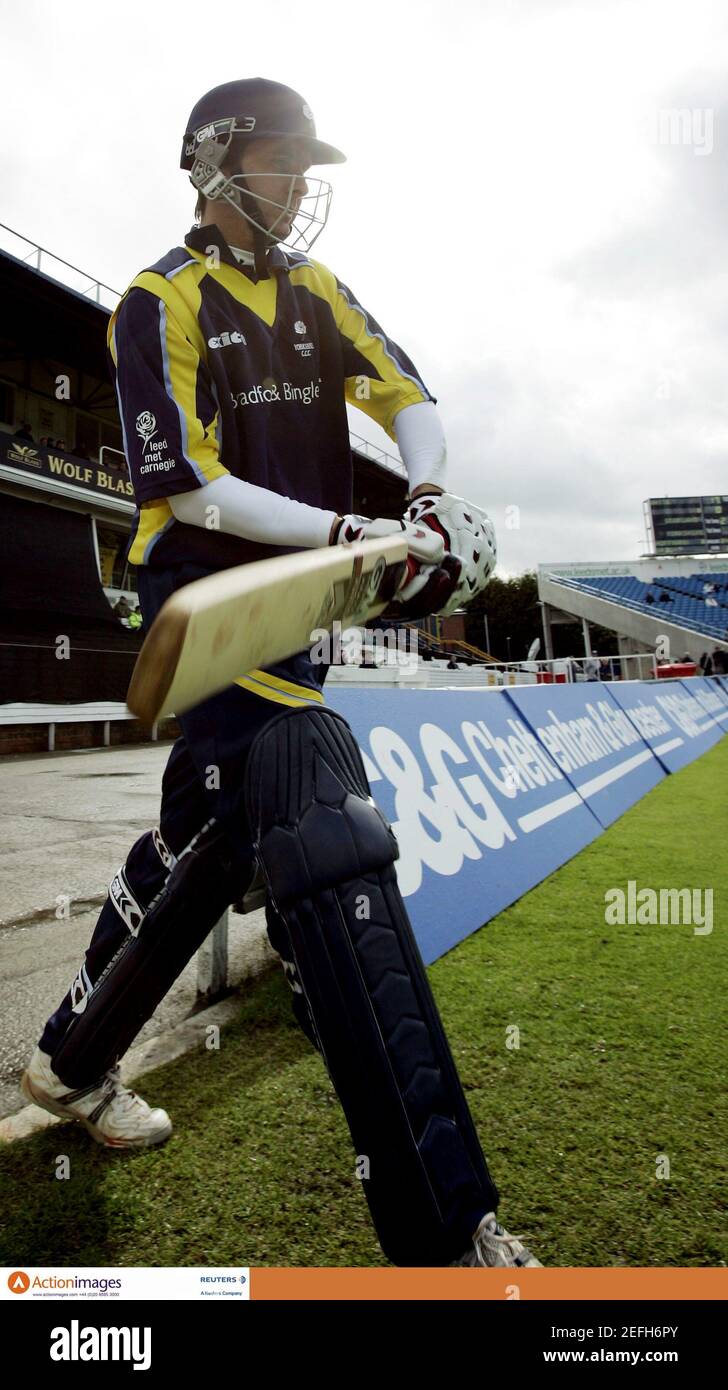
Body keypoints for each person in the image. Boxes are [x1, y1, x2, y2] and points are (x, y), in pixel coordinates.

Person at [21, 79, 537, 1269]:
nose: (297, 184)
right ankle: (446, 1230)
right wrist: (346, 536)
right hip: (202, 600)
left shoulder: (318, 293)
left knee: (209, 845)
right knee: (317, 795)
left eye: (307, 164)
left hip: (298, 596)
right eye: (276, 158)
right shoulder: (160, 299)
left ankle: (68, 1063)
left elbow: (405, 393)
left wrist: (422, 496)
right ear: (210, 162)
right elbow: (189, 488)